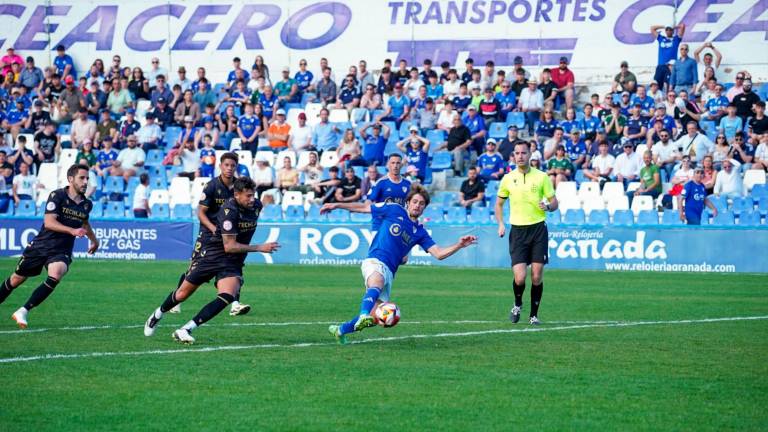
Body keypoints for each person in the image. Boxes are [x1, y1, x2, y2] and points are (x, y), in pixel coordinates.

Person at [322, 185, 477, 344]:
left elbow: (438, 254)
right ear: (408, 202)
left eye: (421, 203)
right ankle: (363, 314)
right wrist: (336, 205)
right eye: (415, 201)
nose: (417, 205)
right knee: (376, 282)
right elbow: (365, 207)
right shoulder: (394, 210)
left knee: (377, 316)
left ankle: (340, 330)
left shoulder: (420, 232)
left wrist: (459, 245)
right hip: (375, 260)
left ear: (424, 207)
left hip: (390, 271)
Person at [144, 177, 279, 343]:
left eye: (253, 195)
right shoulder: (229, 211)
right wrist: (259, 248)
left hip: (232, 261)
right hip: (213, 255)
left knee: (227, 295)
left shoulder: (256, 206)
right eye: (248, 196)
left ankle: (186, 329)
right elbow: (229, 246)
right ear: (236, 195)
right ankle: (157, 314)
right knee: (182, 294)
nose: (252, 199)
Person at [1, 164, 99, 328]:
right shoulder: (57, 195)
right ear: (70, 179)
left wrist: (94, 240)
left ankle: (23, 310)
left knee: (57, 272)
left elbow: (84, 222)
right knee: (16, 280)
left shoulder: (87, 204)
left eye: (87, 178)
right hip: (41, 245)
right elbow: (49, 222)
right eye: (82, 178)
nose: (85, 182)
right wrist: (71, 230)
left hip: (61, 250)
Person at [495, 142, 558, 325]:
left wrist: (547, 206)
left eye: (524, 152)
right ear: (513, 155)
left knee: (537, 276)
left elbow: (555, 203)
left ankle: (533, 315)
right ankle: (517, 303)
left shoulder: (542, 177)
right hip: (517, 231)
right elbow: (498, 204)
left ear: (530, 154)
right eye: (517, 153)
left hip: (538, 229)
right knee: (520, 277)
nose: (520, 156)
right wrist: (500, 223)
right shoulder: (508, 178)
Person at [366, 154, 411, 230]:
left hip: (399, 225)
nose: (395, 166)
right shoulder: (381, 183)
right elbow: (368, 201)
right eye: (392, 163)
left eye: (398, 163)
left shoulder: (408, 184)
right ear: (388, 165)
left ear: (401, 165)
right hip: (381, 225)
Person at [650, 23, 685, 90]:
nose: (669, 31)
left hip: (671, 67)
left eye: (670, 30)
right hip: (660, 66)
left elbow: (682, 26)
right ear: (665, 31)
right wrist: (664, 26)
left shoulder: (676, 39)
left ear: (673, 31)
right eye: (667, 30)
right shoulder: (661, 38)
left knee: (670, 86)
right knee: (657, 86)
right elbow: (652, 28)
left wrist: (673, 26)